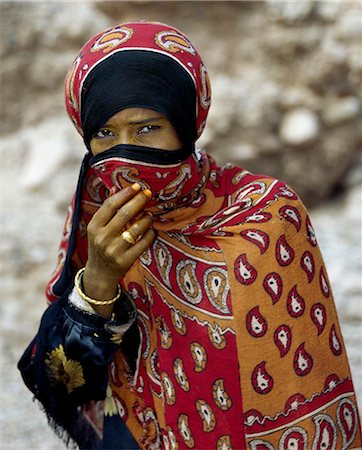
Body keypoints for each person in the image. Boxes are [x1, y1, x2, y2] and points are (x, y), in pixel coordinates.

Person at [19, 21, 361, 450]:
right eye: (105, 134)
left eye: (147, 128)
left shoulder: (266, 217)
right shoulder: (101, 217)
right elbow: (60, 385)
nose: (124, 154)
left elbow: (305, 384)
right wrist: (98, 281)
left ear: (186, 122)